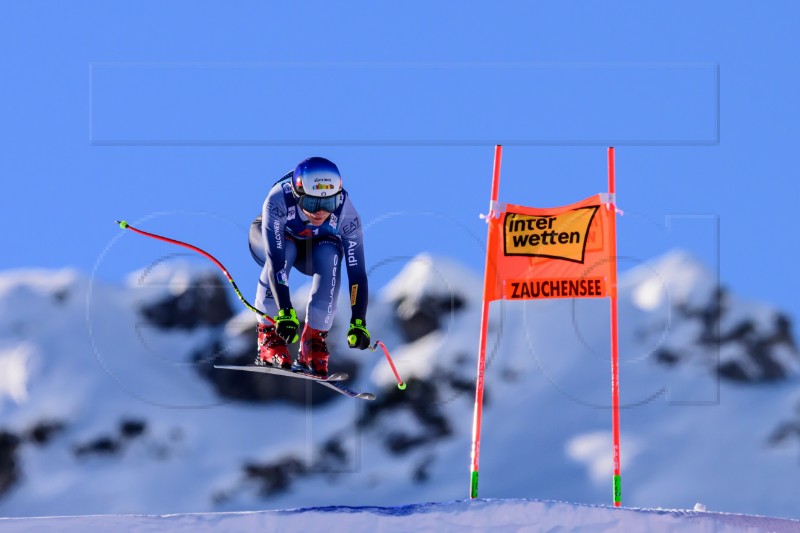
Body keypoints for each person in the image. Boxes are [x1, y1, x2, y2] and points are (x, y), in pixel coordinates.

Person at [248, 157, 371, 376]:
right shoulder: (279, 199)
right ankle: (268, 337)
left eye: (329, 203)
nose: (320, 212)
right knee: (285, 251)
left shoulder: (347, 213)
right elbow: (276, 261)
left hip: (314, 248)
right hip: (277, 242)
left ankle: (314, 341)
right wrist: (285, 311)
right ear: (297, 195)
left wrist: (358, 321)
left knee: (331, 255)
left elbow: (357, 273)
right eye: (312, 203)